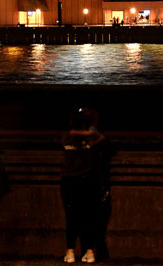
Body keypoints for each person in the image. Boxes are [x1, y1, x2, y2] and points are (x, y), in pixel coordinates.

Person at [59, 107, 111, 263]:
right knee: (89, 217)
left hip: (69, 180)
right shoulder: (90, 139)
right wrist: (88, 133)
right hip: (86, 179)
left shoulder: (67, 137)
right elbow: (101, 138)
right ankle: (89, 251)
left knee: (71, 217)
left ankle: (70, 252)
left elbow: (68, 135)